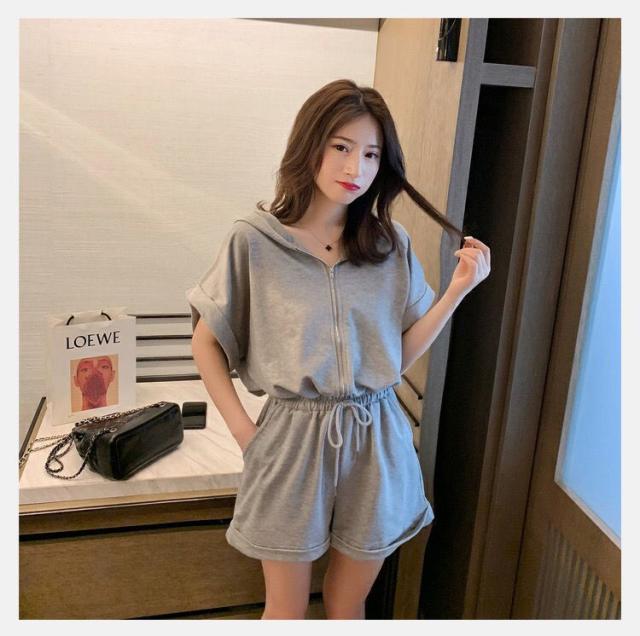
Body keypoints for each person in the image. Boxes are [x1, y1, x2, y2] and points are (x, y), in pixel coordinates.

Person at [186, 78, 491, 620]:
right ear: (310, 146)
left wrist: (456, 293)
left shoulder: (388, 244)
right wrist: (244, 433)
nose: (356, 168)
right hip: (292, 439)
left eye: (371, 154)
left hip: (377, 436)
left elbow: (394, 358)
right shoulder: (254, 240)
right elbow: (206, 342)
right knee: (285, 610)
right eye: (342, 147)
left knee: (349, 603)